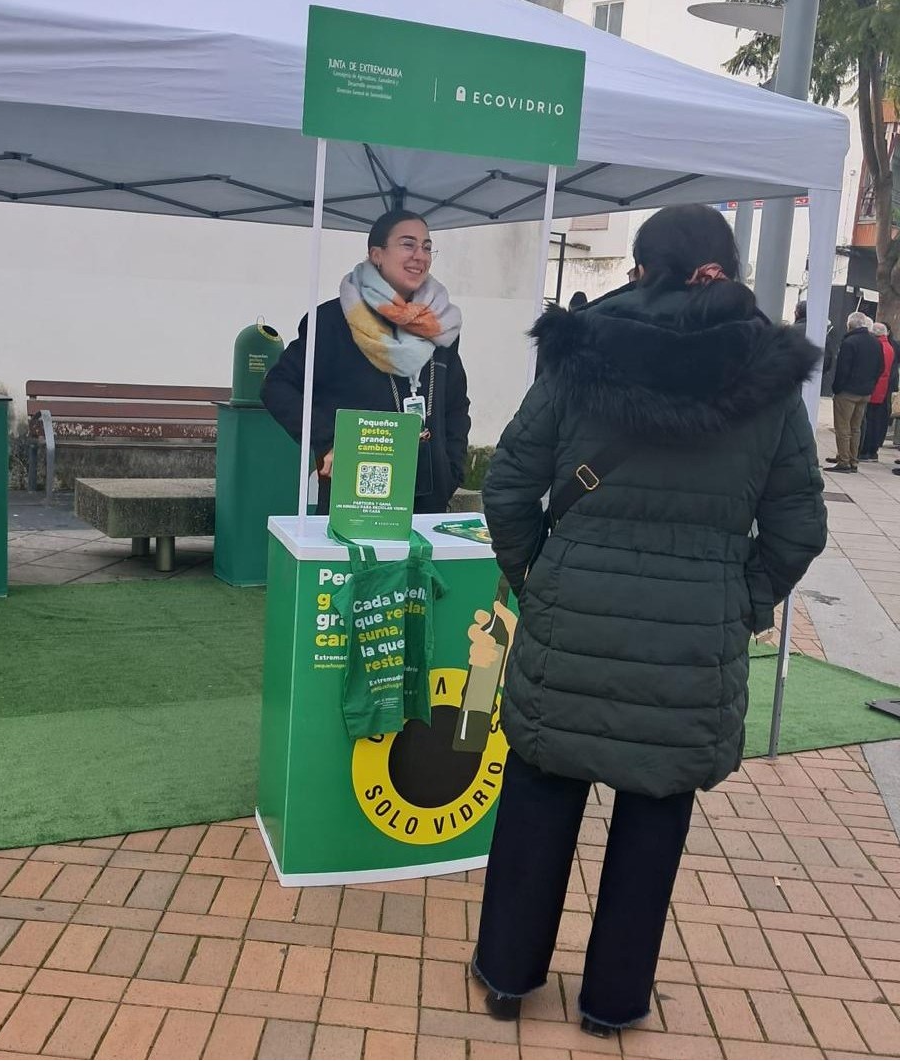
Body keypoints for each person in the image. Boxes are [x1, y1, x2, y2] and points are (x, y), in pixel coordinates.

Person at [471, 204, 827, 1038]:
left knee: (538, 793)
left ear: (641, 266)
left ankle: (508, 978)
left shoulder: (577, 351)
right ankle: (611, 1004)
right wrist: (740, 602)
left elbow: (508, 489)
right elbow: (799, 526)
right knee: (654, 815)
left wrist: (538, 577)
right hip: (689, 647)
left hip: (569, 629)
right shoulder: (767, 378)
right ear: (722, 270)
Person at [261, 210, 470, 514]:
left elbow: (455, 404)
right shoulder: (333, 322)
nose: (419, 256)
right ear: (377, 255)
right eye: (408, 244)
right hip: (358, 491)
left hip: (428, 495)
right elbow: (278, 387)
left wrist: (451, 467)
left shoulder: (439, 325)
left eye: (426, 246)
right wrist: (330, 441)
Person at [828, 311, 883, 473]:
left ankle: (844, 460)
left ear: (849, 325)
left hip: (847, 392)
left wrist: (837, 388)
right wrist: (871, 385)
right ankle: (853, 460)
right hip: (865, 392)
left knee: (843, 427)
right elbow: (880, 368)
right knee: (856, 427)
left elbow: (842, 369)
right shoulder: (875, 342)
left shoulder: (849, 342)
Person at [858, 322, 897, 462]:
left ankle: (867, 449)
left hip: (875, 388)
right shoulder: (889, 346)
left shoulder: (878, 346)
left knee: (870, 420)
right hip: (882, 388)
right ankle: (872, 450)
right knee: (876, 420)